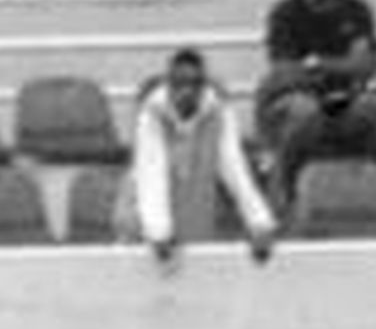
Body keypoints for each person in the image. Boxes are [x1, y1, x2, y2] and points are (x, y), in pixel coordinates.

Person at [254, 0, 376, 210]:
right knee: (302, 113)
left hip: (350, 99)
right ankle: (282, 197)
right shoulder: (285, 13)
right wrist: (342, 65)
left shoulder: (357, 9)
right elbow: (285, 72)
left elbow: (366, 66)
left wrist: (317, 63)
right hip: (299, 99)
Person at [117, 48, 277, 265]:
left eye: (194, 84)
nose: (187, 91)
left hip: (194, 198)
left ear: (203, 86)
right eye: (180, 83)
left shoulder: (219, 113)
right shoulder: (151, 114)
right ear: (169, 84)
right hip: (141, 210)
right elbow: (151, 173)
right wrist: (159, 232)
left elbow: (235, 170)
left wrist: (260, 223)